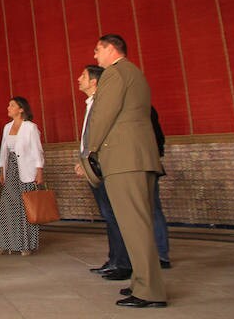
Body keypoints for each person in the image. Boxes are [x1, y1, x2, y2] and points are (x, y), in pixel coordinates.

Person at [79, 34, 167, 308]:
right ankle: (142, 283)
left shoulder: (114, 74)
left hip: (124, 160)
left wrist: (90, 152)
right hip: (138, 158)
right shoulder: (135, 73)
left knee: (135, 227)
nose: (95, 56)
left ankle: (149, 291)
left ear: (111, 48)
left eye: (97, 50)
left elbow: (104, 114)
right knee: (137, 225)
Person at [74, 64, 131, 280]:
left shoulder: (101, 103)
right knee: (108, 216)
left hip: (103, 168)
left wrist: (88, 159)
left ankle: (123, 263)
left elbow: (101, 136)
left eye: (83, 75)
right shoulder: (90, 104)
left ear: (94, 81)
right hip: (93, 168)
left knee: (114, 216)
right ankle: (114, 259)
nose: (79, 79)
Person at [0, 96, 44, 256]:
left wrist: (39, 170)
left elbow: (37, 149)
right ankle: (4, 243)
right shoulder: (7, 127)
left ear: (21, 109)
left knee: (25, 206)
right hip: (11, 169)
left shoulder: (30, 127)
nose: (8, 107)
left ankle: (25, 245)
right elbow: (3, 150)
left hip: (26, 170)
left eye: (12, 105)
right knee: (7, 205)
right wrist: (2, 170)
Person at [150, 106, 171, 268]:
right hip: (148, 162)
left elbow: (157, 138)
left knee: (153, 209)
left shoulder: (142, 109)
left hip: (145, 165)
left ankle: (161, 254)